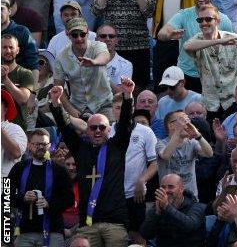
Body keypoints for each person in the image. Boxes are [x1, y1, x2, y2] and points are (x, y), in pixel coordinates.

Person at [49, 77, 136, 247]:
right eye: (93, 127)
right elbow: (66, 128)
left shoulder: (117, 146)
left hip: (115, 223)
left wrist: (128, 96)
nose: (97, 131)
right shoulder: (81, 149)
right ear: (87, 130)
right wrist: (56, 103)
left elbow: (125, 122)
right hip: (88, 224)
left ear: (109, 129)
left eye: (102, 127)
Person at [9, 128, 75, 247]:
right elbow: (6, 195)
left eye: (44, 144)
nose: (40, 147)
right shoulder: (19, 168)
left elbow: (69, 199)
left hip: (53, 231)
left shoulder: (59, 170)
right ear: (29, 145)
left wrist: (49, 203)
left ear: (49, 145)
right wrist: (22, 198)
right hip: (24, 231)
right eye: (37, 144)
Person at [139, 172, 207, 247]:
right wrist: (156, 213)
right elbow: (145, 234)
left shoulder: (197, 206)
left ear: (181, 189)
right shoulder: (158, 207)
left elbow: (189, 226)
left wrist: (167, 207)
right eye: (163, 187)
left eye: (171, 187)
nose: (166, 190)